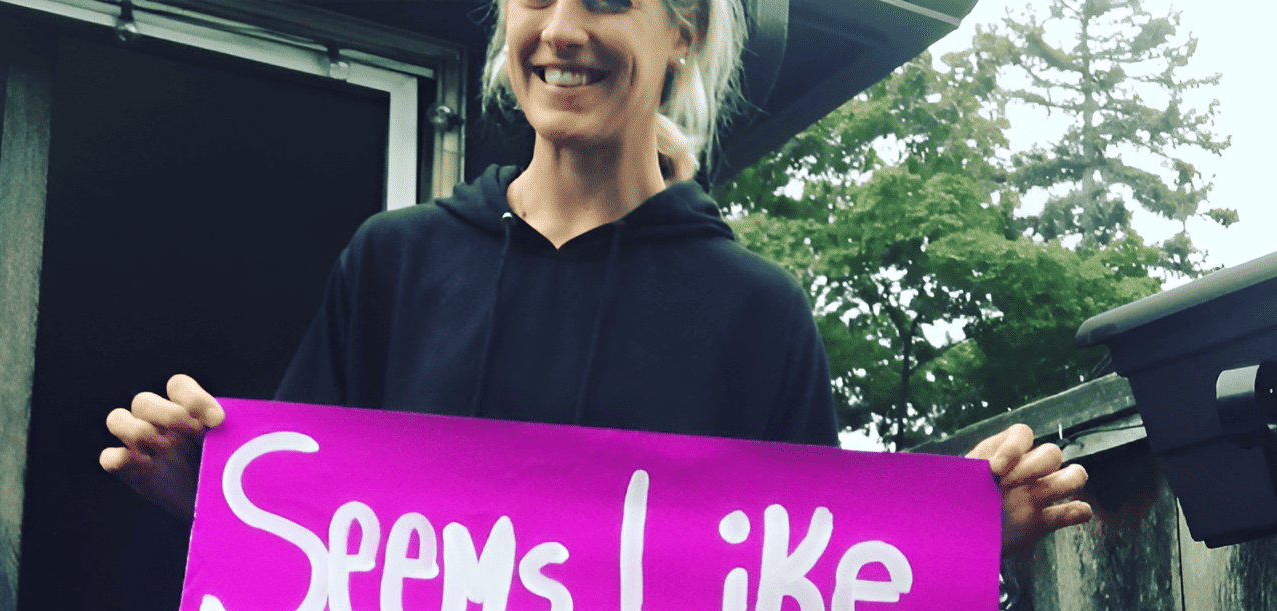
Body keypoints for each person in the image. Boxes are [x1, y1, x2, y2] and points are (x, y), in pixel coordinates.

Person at [100, 0, 1091, 552]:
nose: (561, 31)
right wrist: (208, 496)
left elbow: (804, 607)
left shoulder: (754, 315)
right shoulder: (394, 265)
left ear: (684, 33)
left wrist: (952, 549)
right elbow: (300, 548)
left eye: (609, 1)